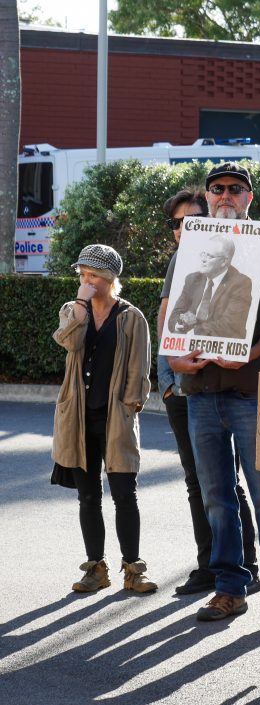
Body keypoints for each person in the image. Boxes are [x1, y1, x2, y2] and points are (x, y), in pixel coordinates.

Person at [166, 162, 260, 626]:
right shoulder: (188, 249)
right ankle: (230, 587)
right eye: (217, 189)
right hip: (201, 393)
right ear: (207, 197)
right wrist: (174, 360)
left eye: (235, 189)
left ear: (249, 198)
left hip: (256, 392)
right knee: (215, 496)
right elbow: (170, 313)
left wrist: (251, 351)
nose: (225, 194)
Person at [157, 187, 260, 596]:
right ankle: (208, 564)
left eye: (190, 221)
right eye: (177, 224)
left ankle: (244, 564)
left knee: (226, 482)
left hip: (219, 388)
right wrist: (168, 380)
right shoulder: (181, 267)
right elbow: (171, 323)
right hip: (179, 387)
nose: (183, 230)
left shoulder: (237, 266)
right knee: (196, 480)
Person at [52, 244, 156, 594]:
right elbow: (66, 342)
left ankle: (133, 569)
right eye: (82, 274)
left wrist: (131, 407)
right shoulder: (73, 310)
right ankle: (95, 568)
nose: (85, 280)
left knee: (125, 494)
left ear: (109, 278)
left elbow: (140, 368)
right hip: (78, 417)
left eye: (92, 275)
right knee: (88, 497)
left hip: (117, 417)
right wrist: (81, 304)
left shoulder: (131, 317)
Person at [167, 233, 252, 339]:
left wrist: (192, 329)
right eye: (203, 254)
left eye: (209, 256)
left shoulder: (241, 283)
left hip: (223, 349)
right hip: (188, 347)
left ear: (224, 261)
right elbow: (175, 314)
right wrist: (179, 323)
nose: (203, 259)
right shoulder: (192, 279)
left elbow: (230, 325)